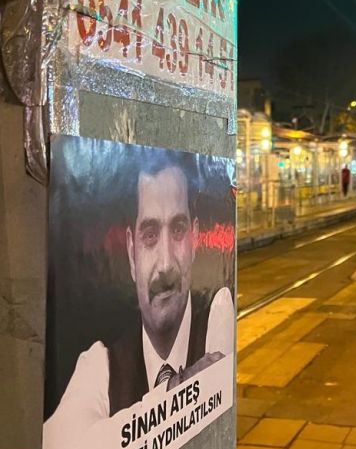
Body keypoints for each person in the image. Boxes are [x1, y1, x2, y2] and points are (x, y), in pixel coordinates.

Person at [44, 155, 235, 434]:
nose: (166, 264)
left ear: (195, 239)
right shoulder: (101, 366)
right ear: (132, 252)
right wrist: (177, 390)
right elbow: (61, 446)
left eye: (178, 230)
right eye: (150, 235)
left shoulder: (218, 321)